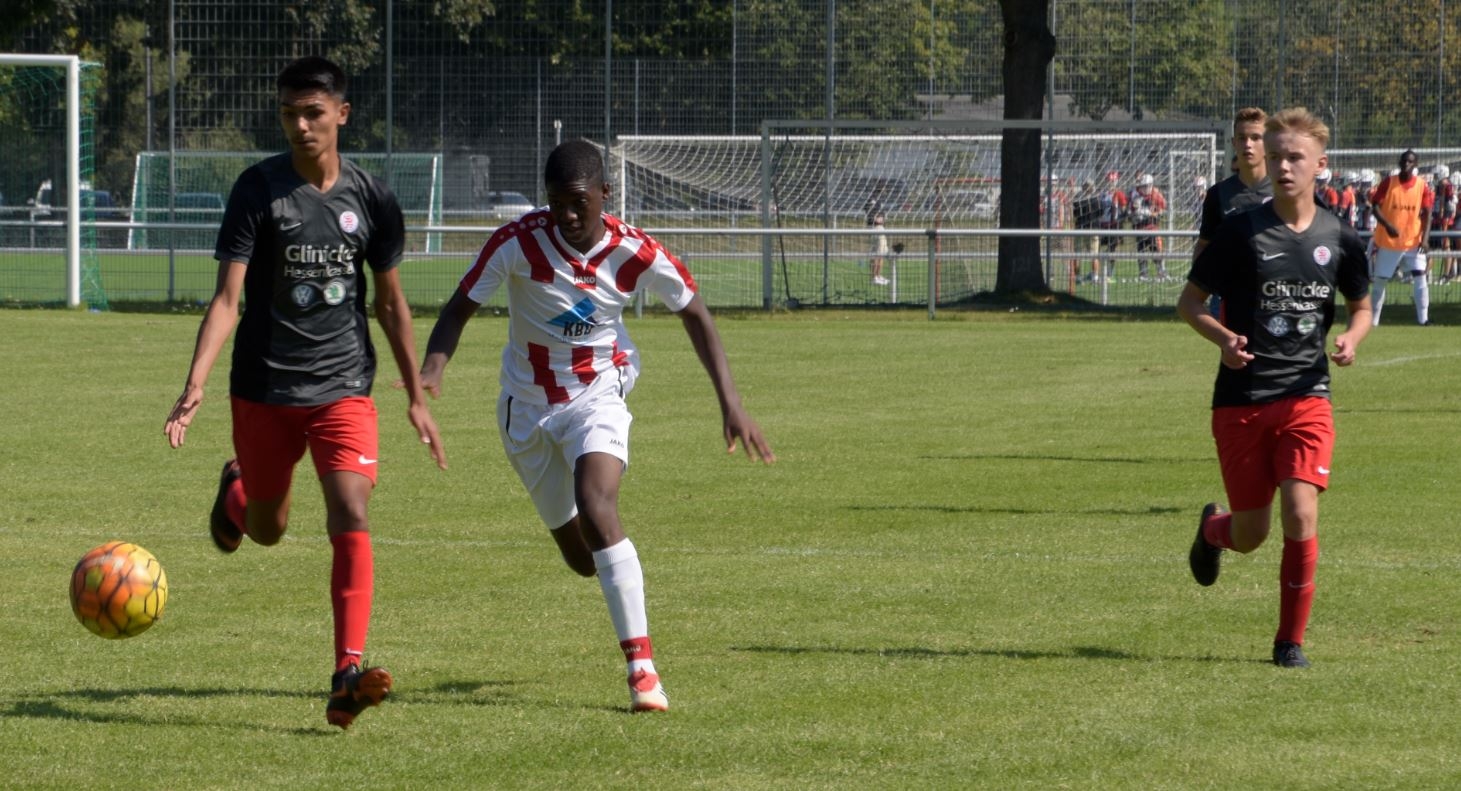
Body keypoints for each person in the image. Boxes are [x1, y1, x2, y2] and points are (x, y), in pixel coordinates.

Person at [420, 139, 775, 713]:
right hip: (525, 410)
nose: (566, 215)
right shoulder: (517, 243)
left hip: (596, 393)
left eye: (578, 202)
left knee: (598, 506)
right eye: (556, 202)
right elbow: (459, 306)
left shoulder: (635, 250)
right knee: (583, 559)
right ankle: (608, 570)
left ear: (605, 194)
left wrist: (730, 402)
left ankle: (643, 673)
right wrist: (433, 368)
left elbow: (695, 312)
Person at [163, 56, 446, 729]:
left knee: (350, 507)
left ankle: (346, 673)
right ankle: (237, 493)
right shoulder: (258, 190)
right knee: (268, 530)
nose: (300, 125)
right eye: (290, 113)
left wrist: (414, 395)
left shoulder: (372, 198)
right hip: (263, 389)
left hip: (343, 386)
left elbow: (391, 304)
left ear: (341, 114)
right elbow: (227, 299)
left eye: (313, 112)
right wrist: (195, 382)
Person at [1177, 107, 1372, 669]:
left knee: (1301, 511)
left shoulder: (1340, 235)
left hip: (1308, 396)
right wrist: (1223, 338)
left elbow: (1361, 306)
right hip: (1241, 400)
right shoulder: (1240, 231)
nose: (1284, 167)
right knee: (1251, 534)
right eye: (1278, 156)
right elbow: (1190, 303)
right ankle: (1213, 531)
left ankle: (1290, 643)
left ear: (1320, 165)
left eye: (1295, 158)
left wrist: (1352, 337)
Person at [1195, 107, 1272, 316]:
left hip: (1275, 296)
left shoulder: (1284, 190)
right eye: (1242, 138)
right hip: (1228, 295)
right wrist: (1201, 287)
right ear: (1233, 143)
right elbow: (1204, 245)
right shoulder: (1218, 194)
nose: (1248, 144)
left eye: (1256, 137)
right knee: (1229, 339)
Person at [1368, 149, 1435, 325]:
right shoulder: (1389, 182)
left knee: (1420, 277)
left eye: (1410, 161)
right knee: (1380, 281)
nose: (1407, 164)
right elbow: (1375, 207)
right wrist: (1387, 225)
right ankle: (1373, 321)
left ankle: (1424, 320)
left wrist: (1425, 239)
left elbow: (1428, 214)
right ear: (1399, 163)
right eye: (1404, 161)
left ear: (1416, 165)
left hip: (1413, 241)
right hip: (1389, 242)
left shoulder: (1422, 186)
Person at [1128, 173, 1168, 280]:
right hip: (1140, 228)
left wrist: (1153, 214)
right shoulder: (1137, 197)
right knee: (1141, 251)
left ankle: (1161, 271)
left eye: (1146, 186)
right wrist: (1135, 213)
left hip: (1152, 228)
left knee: (1155, 250)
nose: (1144, 188)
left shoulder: (1156, 195)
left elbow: (1162, 209)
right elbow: (1131, 211)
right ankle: (1143, 273)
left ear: (1150, 185)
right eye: (1142, 186)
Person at [1095, 170, 1128, 281]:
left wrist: (1120, 218)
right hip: (1102, 225)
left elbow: (1124, 209)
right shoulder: (1102, 194)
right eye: (1109, 181)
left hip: (1113, 225)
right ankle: (1096, 273)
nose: (1110, 183)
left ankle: (1110, 273)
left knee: (1112, 249)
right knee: (1096, 249)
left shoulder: (1119, 194)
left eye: (1113, 181)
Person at [868, 205, 890, 286]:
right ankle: (874, 277)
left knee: (881, 255)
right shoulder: (873, 207)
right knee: (877, 255)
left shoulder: (879, 205)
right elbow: (873, 218)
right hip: (877, 229)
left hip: (880, 228)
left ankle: (878, 276)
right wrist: (878, 219)